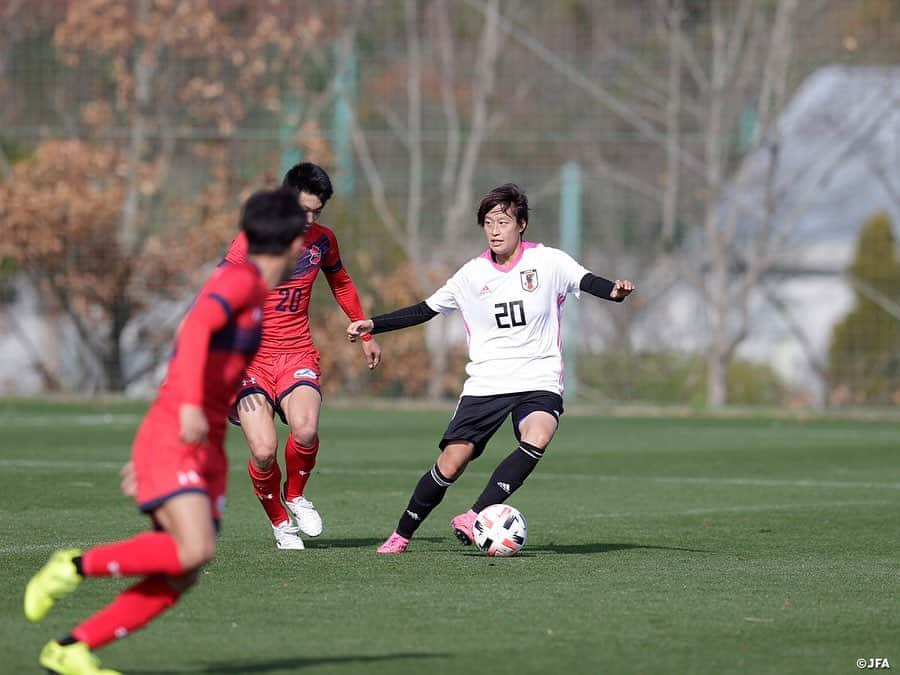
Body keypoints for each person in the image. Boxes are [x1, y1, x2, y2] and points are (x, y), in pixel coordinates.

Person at [23, 188, 308, 675]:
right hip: (181, 430)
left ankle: (70, 648)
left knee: (183, 572)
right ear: (296, 243)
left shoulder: (259, 294)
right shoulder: (238, 280)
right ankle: (71, 566)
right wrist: (189, 409)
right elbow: (194, 331)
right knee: (194, 548)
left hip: (205, 441)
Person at [346, 183, 636, 554]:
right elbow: (425, 309)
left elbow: (586, 280)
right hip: (487, 382)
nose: (495, 230)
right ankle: (401, 534)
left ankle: (475, 515)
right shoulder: (471, 275)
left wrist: (614, 291)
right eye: (487, 222)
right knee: (452, 463)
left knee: (539, 434)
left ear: (522, 224)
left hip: (538, 377)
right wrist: (374, 324)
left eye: (502, 221)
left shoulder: (548, 262)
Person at [224, 162, 381, 549]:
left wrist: (364, 329)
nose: (309, 219)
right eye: (302, 210)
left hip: (296, 354)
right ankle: (280, 522)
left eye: (317, 212)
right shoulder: (251, 241)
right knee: (263, 451)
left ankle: (295, 495)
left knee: (306, 430)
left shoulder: (322, 241)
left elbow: (341, 281)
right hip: (249, 361)